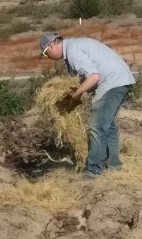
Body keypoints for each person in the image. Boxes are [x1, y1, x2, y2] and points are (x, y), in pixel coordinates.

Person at [39, 32, 136, 179]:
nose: (48, 58)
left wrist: (76, 95)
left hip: (112, 83)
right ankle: (114, 166)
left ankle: (94, 171)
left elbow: (94, 76)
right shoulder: (74, 45)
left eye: (46, 54)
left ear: (51, 45)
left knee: (96, 127)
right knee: (108, 126)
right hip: (121, 80)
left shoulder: (72, 50)